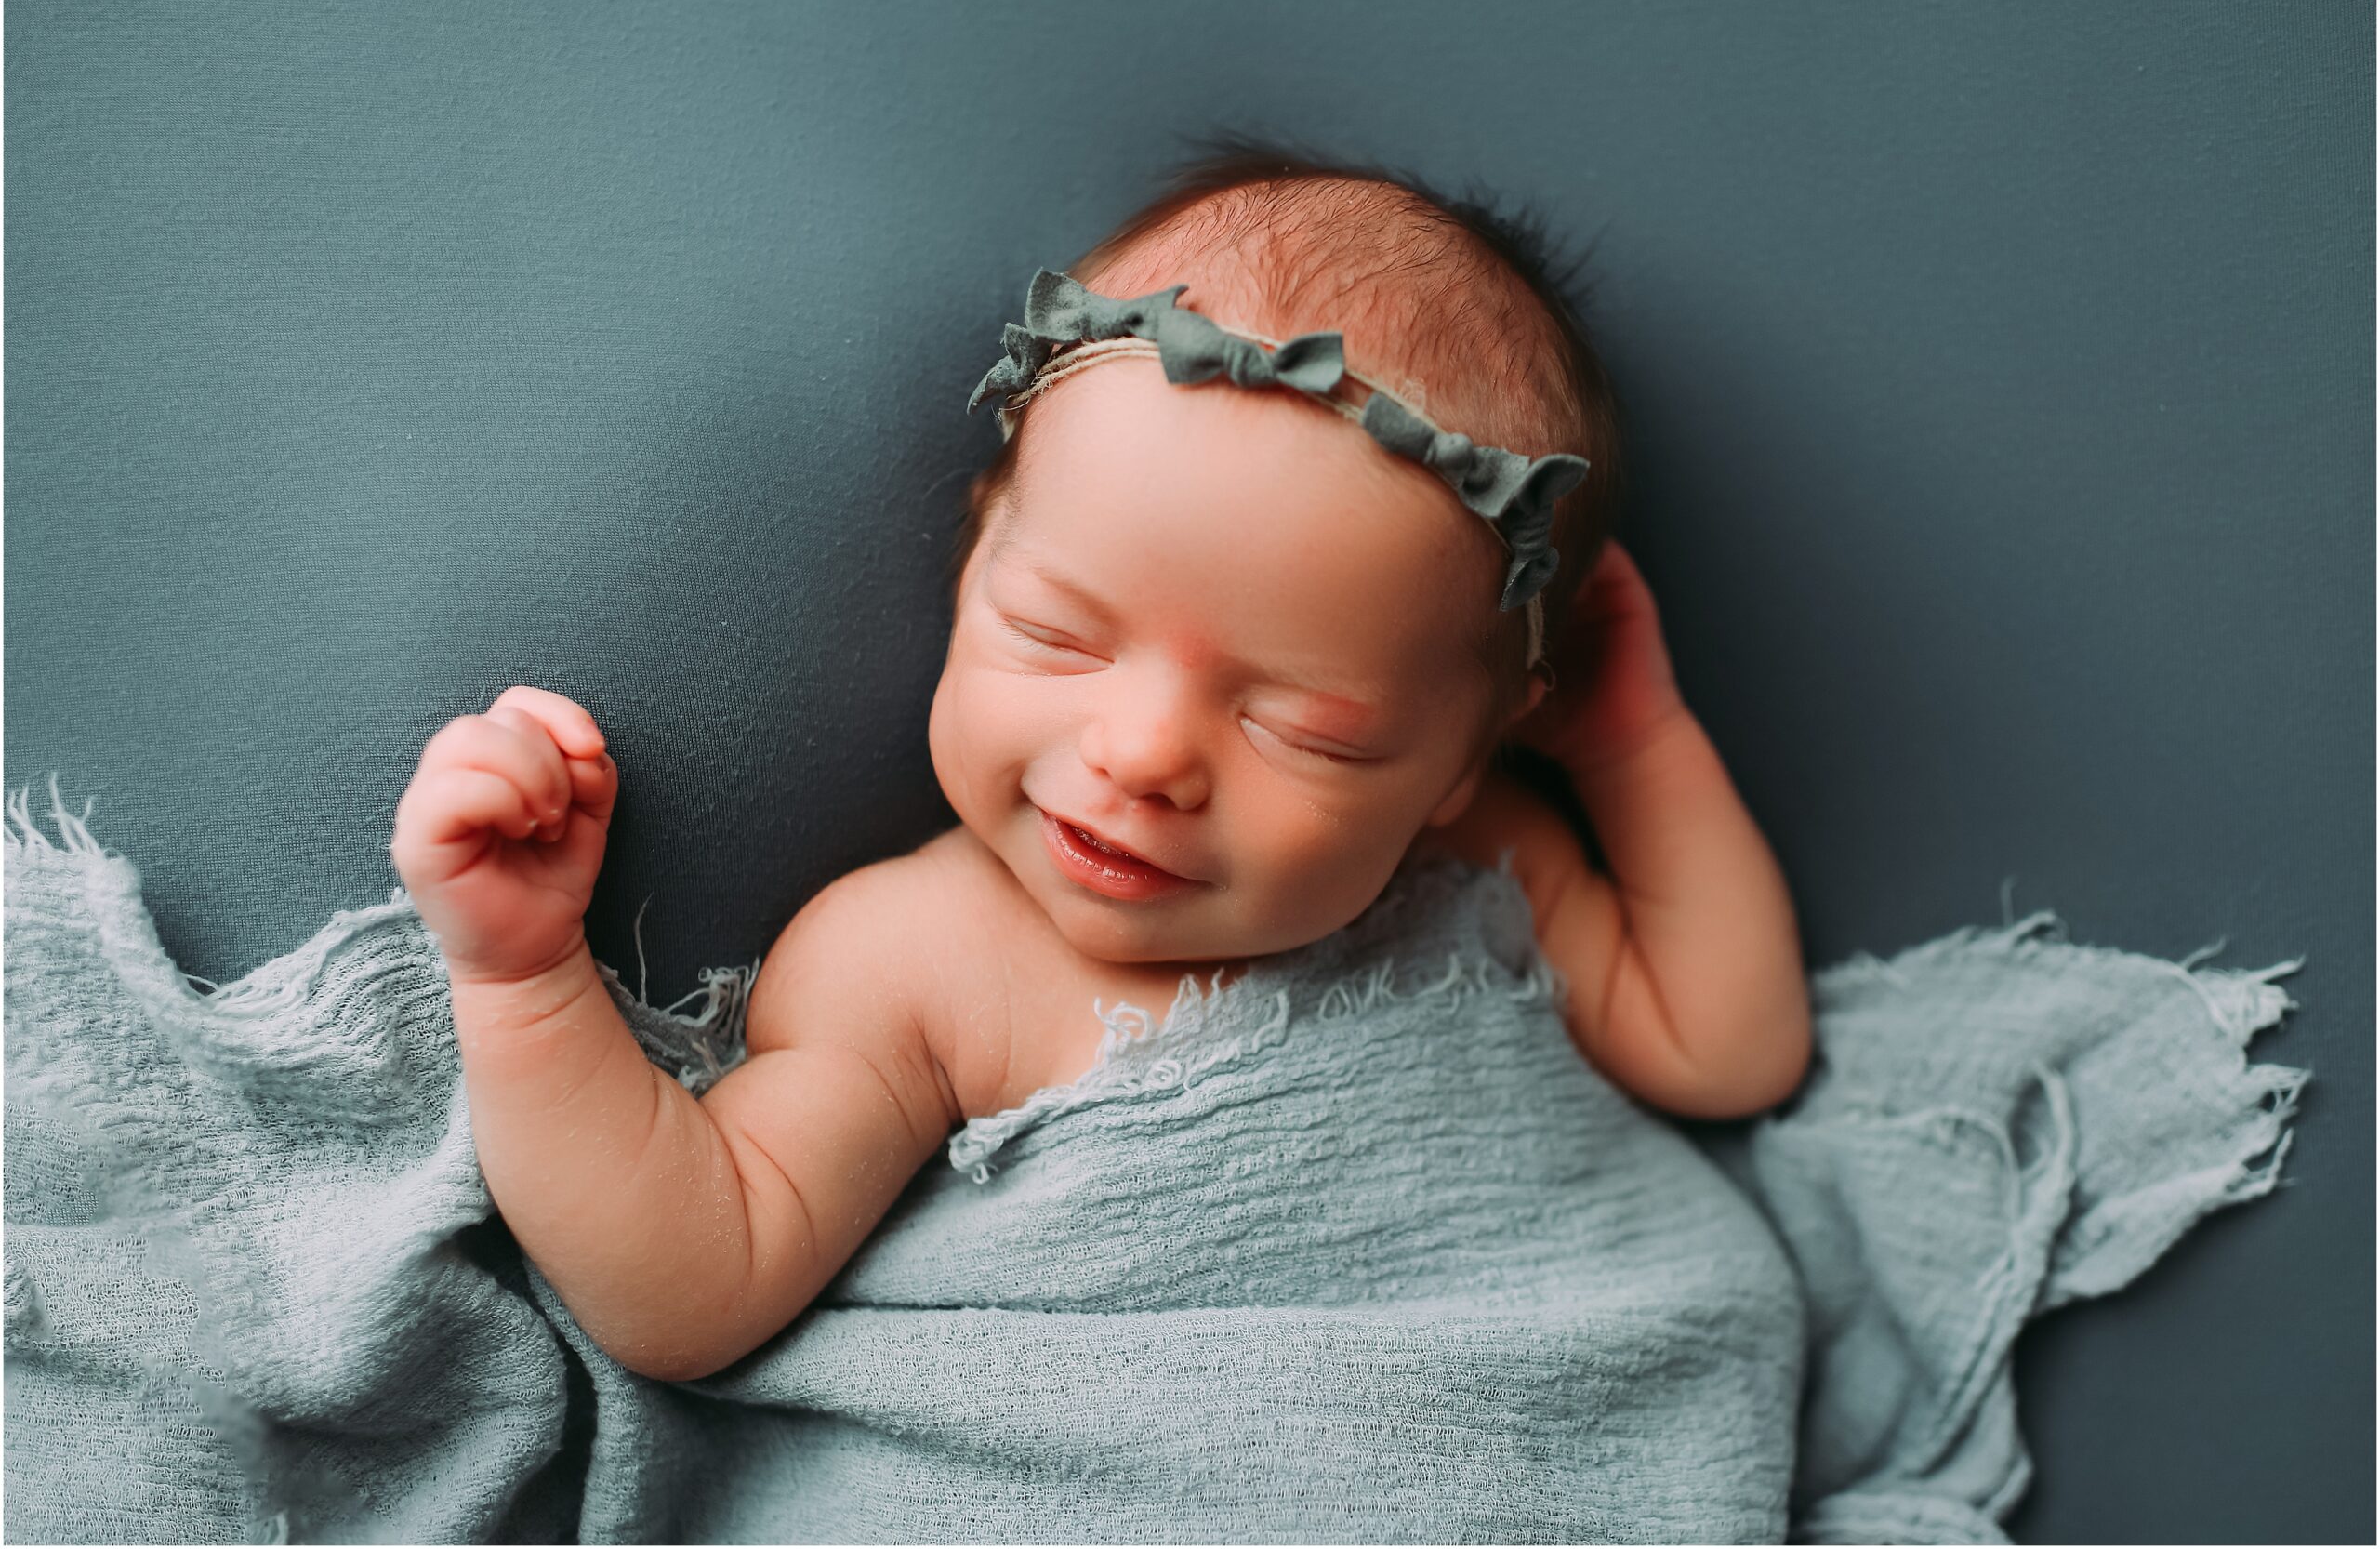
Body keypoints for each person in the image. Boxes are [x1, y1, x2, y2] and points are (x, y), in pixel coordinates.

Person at [390, 146, 1809, 1384]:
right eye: (1056, 634)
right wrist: (522, 979)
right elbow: (691, 1282)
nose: (1139, 755)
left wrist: (1633, 746)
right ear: (972, 559)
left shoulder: (1477, 861)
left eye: (1299, 728)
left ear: (1457, 756)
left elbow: (1729, 1047)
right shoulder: (922, 962)